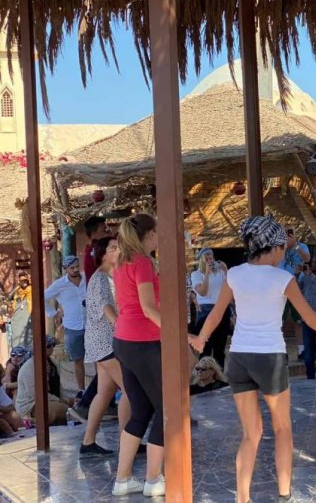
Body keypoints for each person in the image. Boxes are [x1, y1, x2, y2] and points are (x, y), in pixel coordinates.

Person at [189, 215, 316, 503]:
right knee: (282, 430)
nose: (283, 253)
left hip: (239, 358)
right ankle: (284, 495)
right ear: (274, 247)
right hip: (270, 358)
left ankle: (242, 498)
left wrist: (201, 338)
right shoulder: (283, 278)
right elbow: (310, 318)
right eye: (282, 248)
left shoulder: (235, 274)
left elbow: (216, 314)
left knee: (250, 434)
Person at [111, 213, 165, 498]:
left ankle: (123, 480)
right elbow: (147, 307)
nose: (159, 236)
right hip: (143, 341)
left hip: (124, 340)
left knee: (141, 410)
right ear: (150, 234)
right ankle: (153, 479)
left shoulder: (122, 261)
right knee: (168, 410)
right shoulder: (142, 262)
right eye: (157, 232)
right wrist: (179, 334)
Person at [79, 235, 131, 458]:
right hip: (105, 342)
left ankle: (88, 442)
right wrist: (123, 327)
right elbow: (106, 308)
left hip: (101, 342)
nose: (118, 251)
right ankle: (128, 442)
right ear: (102, 254)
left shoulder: (109, 276)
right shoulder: (100, 278)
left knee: (105, 392)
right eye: (113, 248)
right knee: (130, 389)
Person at [44, 255, 88, 395]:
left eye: (77, 266)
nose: (75, 270)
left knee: (99, 358)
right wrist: (53, 313)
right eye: (72, 268)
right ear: (66, 269)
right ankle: (81, 390)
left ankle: (100, 388)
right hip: (73, 326)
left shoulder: (87, 277)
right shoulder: (59, 284)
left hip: (91, 324)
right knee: (78, 360)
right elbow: (42, 297)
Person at [15, 336, 74, 425]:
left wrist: (66, 400)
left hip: (48, 399)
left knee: (75, 405)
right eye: (48, 345)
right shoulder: (29, 367)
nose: (52, 348)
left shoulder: (51, 363)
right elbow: (35, 393)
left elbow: (58, 386)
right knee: (63, 410)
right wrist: (58, 400)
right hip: (31, 404)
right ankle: (33, 421)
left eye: (53, 345)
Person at [190, 248, 229, 366]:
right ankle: (203, 374)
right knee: (205, 347)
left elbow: (230, 288)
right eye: (206, 259)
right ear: (201, 261)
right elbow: (202, 292)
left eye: (211, 258)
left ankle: (220, 374)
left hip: (221, 308)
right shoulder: (196, 274)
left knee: (219, 348)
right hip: (205, 310)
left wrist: (226, 270)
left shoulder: (220, 273)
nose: (209, 261)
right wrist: (207, 273)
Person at [279, 227, 311, 361]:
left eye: (290, 234)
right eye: (286, 234)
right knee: (279, 322)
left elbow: (307, 258)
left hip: (298, 287)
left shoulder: (301, 246)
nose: (288, 237)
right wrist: (284, 247)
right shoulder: (278, 248)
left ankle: (301, 351)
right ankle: (281, 351)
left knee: (299, 321)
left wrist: (295, 245)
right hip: (281, 289)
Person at [8, 272, 33, 350]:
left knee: (28, 340)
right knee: (17, 341)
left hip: (27, 318)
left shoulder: (31, 290)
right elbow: (9, 297)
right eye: (22, 280)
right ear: (19, 281)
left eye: (26, 280)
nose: (24, 282)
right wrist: (17, 287)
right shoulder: (17, 291)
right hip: (17, 321)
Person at [83, 216, 111, 282]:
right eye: (103, 229)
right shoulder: (95, 250)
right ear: (93, 232)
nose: (106, 230)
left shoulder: (92, 248)